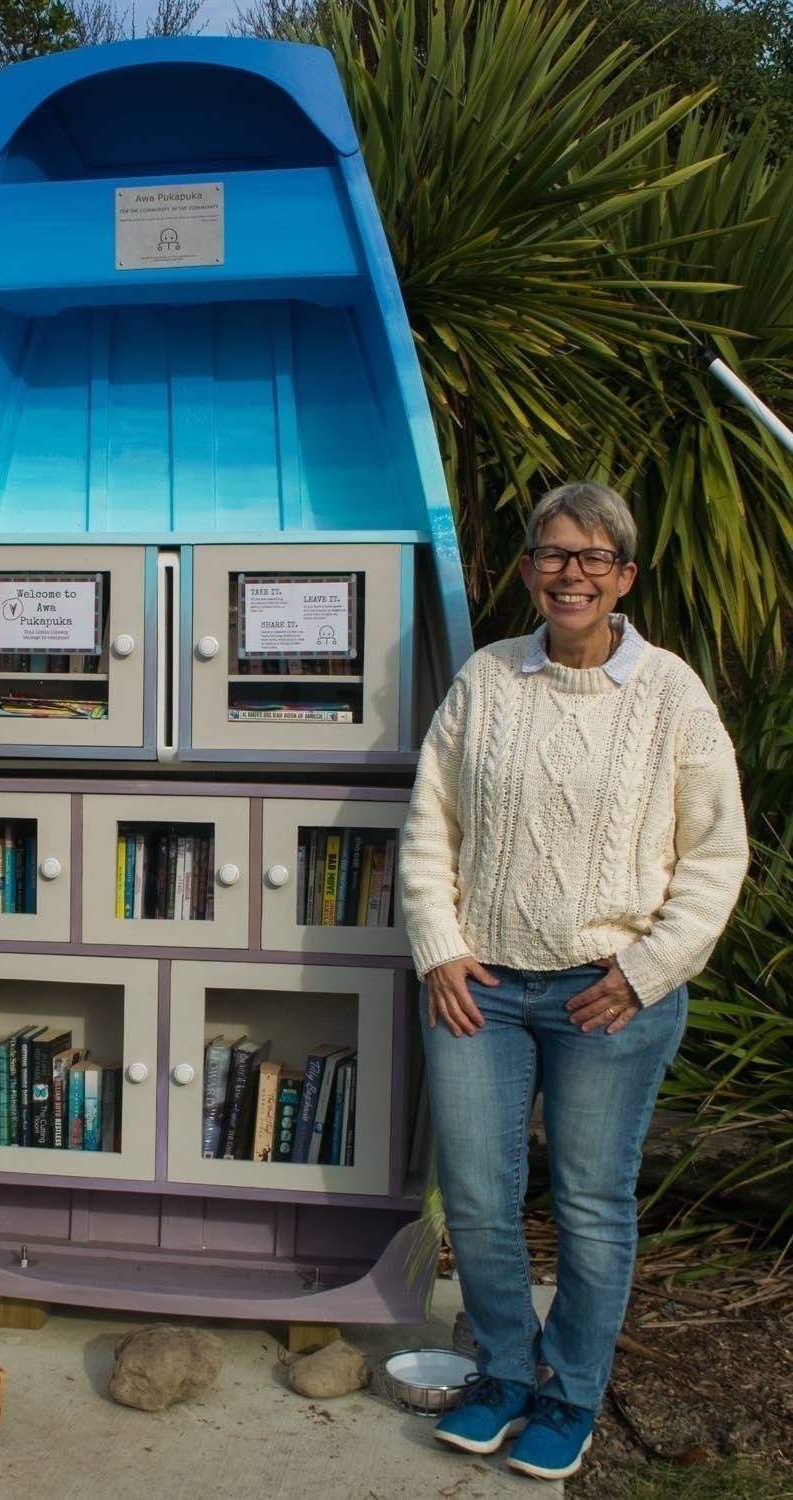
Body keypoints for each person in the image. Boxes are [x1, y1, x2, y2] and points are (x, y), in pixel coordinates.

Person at [399, 481, 748, 1482]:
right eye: (554, 555)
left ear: (626, 576)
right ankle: (505, 1371)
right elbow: (431, 827)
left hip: (610, 999)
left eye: (595, 558)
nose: (573, 574)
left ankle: (572, 1391)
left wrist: (647, 971)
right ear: (526, 573)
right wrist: (439, 944)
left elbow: (717, 858)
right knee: (477, 1196)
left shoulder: (671, 695)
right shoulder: (488, 680)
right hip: (483, 990)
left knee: (592, 1205)